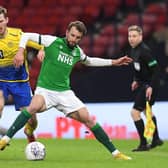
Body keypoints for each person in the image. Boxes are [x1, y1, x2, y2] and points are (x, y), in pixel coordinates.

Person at [0, 21, 132, 160]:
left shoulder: (77, 52)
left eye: (78, 37)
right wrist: (20, 51)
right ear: (67, 32)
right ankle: (5, 139)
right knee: (33, 107)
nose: (74, 39)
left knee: (88, 119)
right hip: (45, 90)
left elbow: (90, 61)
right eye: (72, 35)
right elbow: (26, 35)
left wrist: (114, 62)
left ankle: (116, 153)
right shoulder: (52, 41)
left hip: (64, 93)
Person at [0, 6, 43, 142]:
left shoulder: (18, 35)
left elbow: (40, 44)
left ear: (6, 20)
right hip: (1, 80)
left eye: (0, 21)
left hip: (20, 82)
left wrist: (42, 50)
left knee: (32, 120)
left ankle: (29, 132)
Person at [127, 25, 163, 152]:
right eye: (130, 36)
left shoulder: (144, 51)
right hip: (145, 84)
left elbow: (156, 70)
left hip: (150, 85)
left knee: (135, 112)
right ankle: (156, 139)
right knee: (147, 112)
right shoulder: (134, 49)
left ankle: (143, 144)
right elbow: (138, 67)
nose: (131, 39)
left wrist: (151, 87)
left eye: (134, 36)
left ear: (141, 37)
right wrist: (136, 80)